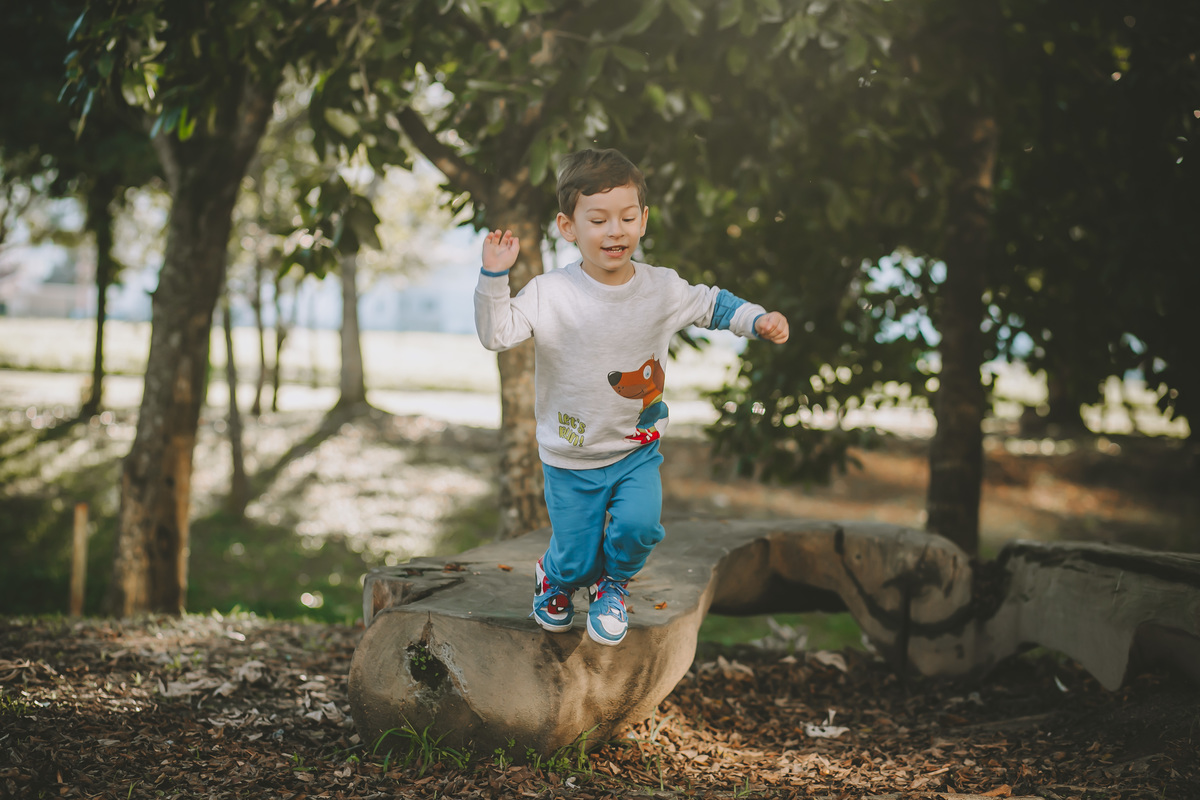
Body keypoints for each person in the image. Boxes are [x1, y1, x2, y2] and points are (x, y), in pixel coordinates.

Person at [474, 148, 789, 646]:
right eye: (597, 219)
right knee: (575, 556)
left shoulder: (660, 288)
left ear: (643, 221)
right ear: (568, 226)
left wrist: (757, 319)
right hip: (570, 456)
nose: (614, 231)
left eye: (626, 217)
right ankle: (555, 577)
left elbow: (713, 304)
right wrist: (495, 277)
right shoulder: (550, 292)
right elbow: (497, 335)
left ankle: (613, 585)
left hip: (635, 450)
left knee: (638, 529)